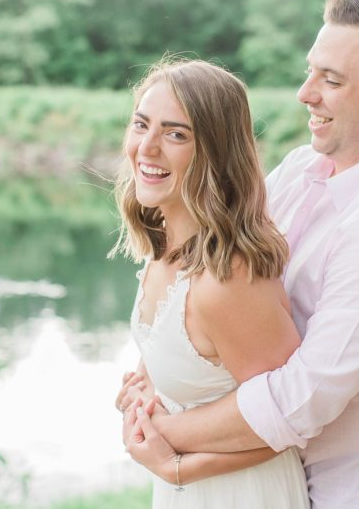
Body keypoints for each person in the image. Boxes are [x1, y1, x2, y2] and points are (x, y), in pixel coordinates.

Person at [119, 0, 359, 507]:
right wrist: (155, 378)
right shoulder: (302, 170)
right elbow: (217, 267)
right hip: (290, 477)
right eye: (310, 73)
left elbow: (303, 397)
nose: (306, 93)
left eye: (331, 80)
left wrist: (165, 431)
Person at [111, 58, 311, 508]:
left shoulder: (228, 279)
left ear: (215, 153)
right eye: (141, 124)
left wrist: (179, 466)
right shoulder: (166, 247)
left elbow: (287, 422)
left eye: (176, 134)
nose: (148, 147)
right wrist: (142, 393)